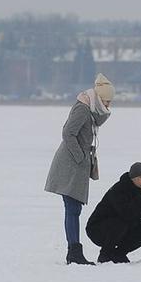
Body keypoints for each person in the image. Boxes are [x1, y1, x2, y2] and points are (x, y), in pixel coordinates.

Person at [44, 73, 115, 265]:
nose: (108, 105)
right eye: (106, 101)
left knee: (73, 209)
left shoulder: (90, 109)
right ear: (98, 98)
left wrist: (105, 111)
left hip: (76, 165)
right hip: (70, 165)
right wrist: (80, 156)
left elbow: (97, 122)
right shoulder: (83, 109)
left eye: (110, 102)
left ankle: (74, 252)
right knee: (72, 209)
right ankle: (74, 252)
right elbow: (68, 133)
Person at [86, 162, 141, 263]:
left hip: (122, 229)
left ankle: (119, 253)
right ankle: (105, 254)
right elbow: (127, 213)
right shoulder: (119, 189)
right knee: (121, 223)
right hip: (97, 229)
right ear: (133, 177)